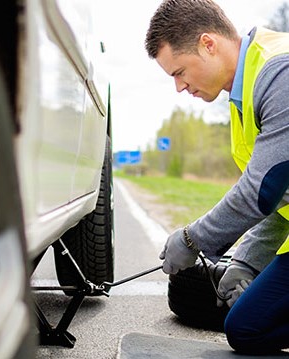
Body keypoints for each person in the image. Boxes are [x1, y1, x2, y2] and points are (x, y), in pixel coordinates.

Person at [145, 0, 289, 354]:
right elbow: (282, 197)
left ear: (208, 44)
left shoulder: (279, 71)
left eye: (179, 72)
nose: (179, 87)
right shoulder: (242, 97)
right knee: (247, 328)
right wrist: (247, 260)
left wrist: (193, 239)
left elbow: (262, 188)